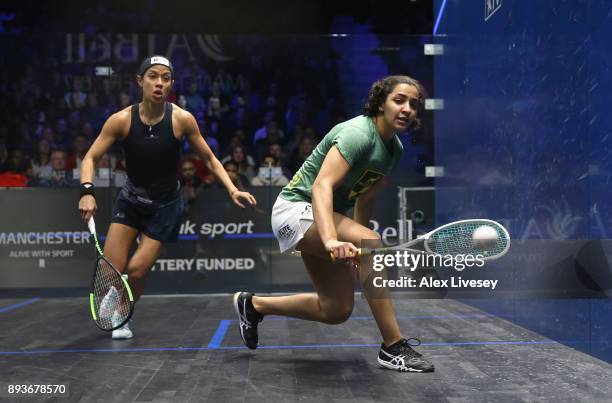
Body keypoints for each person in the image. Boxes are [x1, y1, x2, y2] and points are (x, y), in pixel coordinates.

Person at [233, 75, 434, 373]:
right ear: (380, 103)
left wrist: (359, 251)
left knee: (336, 309)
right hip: (294, 210)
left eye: (414, 105)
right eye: (399, 100)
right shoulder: (357, 134)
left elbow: (364, 199)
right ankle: (393, 346)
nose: (407, 109)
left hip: (323, 218)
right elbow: (321, 187)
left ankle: (254, 305)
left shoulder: (394, 150)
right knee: (372, 241)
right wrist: (332, 240)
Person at [78, 55, 256, 339]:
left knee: (136, 271)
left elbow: (209, 159)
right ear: (140, 81)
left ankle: (122, 312)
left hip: (165, 206)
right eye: (152, 76)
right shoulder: (121, 120)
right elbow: (90, 158)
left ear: (171, 83)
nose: (159, 83)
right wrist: (87, 192)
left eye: (165, 78)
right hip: (131, 201)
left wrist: (232, 188)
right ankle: (115, 288)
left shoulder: (182, 120)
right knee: (110, 272)